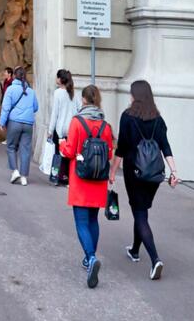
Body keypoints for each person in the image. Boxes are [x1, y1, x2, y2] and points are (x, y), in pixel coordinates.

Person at [109, 80, 180, 281]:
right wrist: (174, 171)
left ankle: (155, 259)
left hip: (135, 171)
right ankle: (134, 250)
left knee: (140, 214)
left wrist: (113, 171)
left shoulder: (127, 117)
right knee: (141, 210)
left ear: (135, 96)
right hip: (155, 174)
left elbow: (121, 148)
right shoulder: (157, 119)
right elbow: (166, 147)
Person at [59, 85, 114, 288]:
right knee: (93, 220)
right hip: (98, 178)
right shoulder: (105, 126)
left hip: (80, 178)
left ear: (83, 100)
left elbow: (70, 150)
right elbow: (108, 153)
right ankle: (89, 258)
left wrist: (61, 144)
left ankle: (90, 258)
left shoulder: (77, 122)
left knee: (81, 221)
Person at [0, 66, 39, 185]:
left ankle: (15, 171)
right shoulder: (31, 91)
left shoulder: (10, 89)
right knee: (25, 150)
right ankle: (24, 177)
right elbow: (36, 107)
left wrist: (2, 122)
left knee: (11, 147)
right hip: (28, 124)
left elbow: (6, 107)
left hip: (14, 122)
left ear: (15, 76)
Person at [46, 69, 78, 186]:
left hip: (60, 128)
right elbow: (78, 110)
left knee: (58, 153)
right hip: (72, 129)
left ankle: (58, 176)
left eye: (56, 77)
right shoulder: (73, 93)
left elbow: (55, 113)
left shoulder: (58, 92)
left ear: (60, 79)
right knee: (69, 154)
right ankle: (68, 178)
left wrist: (50, 130)